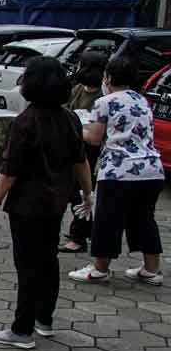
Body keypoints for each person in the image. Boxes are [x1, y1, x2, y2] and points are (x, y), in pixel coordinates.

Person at [0, 57, 93, 348]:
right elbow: (80, 160)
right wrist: (88, 193)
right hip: (56, 202)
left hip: (28, 206)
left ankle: (22, 330)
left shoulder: (26, 122)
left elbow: (9, 170)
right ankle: (45, 318)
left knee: (28, 266)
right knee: (48, 261)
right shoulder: (69, 118)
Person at [68, 56, 165, 285]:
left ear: (108, 77)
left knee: (108, 219)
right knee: (144, 219)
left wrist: (74, 128)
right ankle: (151, 270)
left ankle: (100, 269)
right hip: (151, 170)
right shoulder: (142, 101)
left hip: (119, 171)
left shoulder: (105, 101)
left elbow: (93, 138)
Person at [60, 50, 107, 254]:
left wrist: (79, 128)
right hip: (73, 147)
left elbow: (97, 135)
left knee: (82, 192)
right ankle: (82, 230)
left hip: (93, 153)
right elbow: (64, 111)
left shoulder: (104, 96)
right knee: (72, 191)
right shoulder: (78, 89)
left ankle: (79, 236)